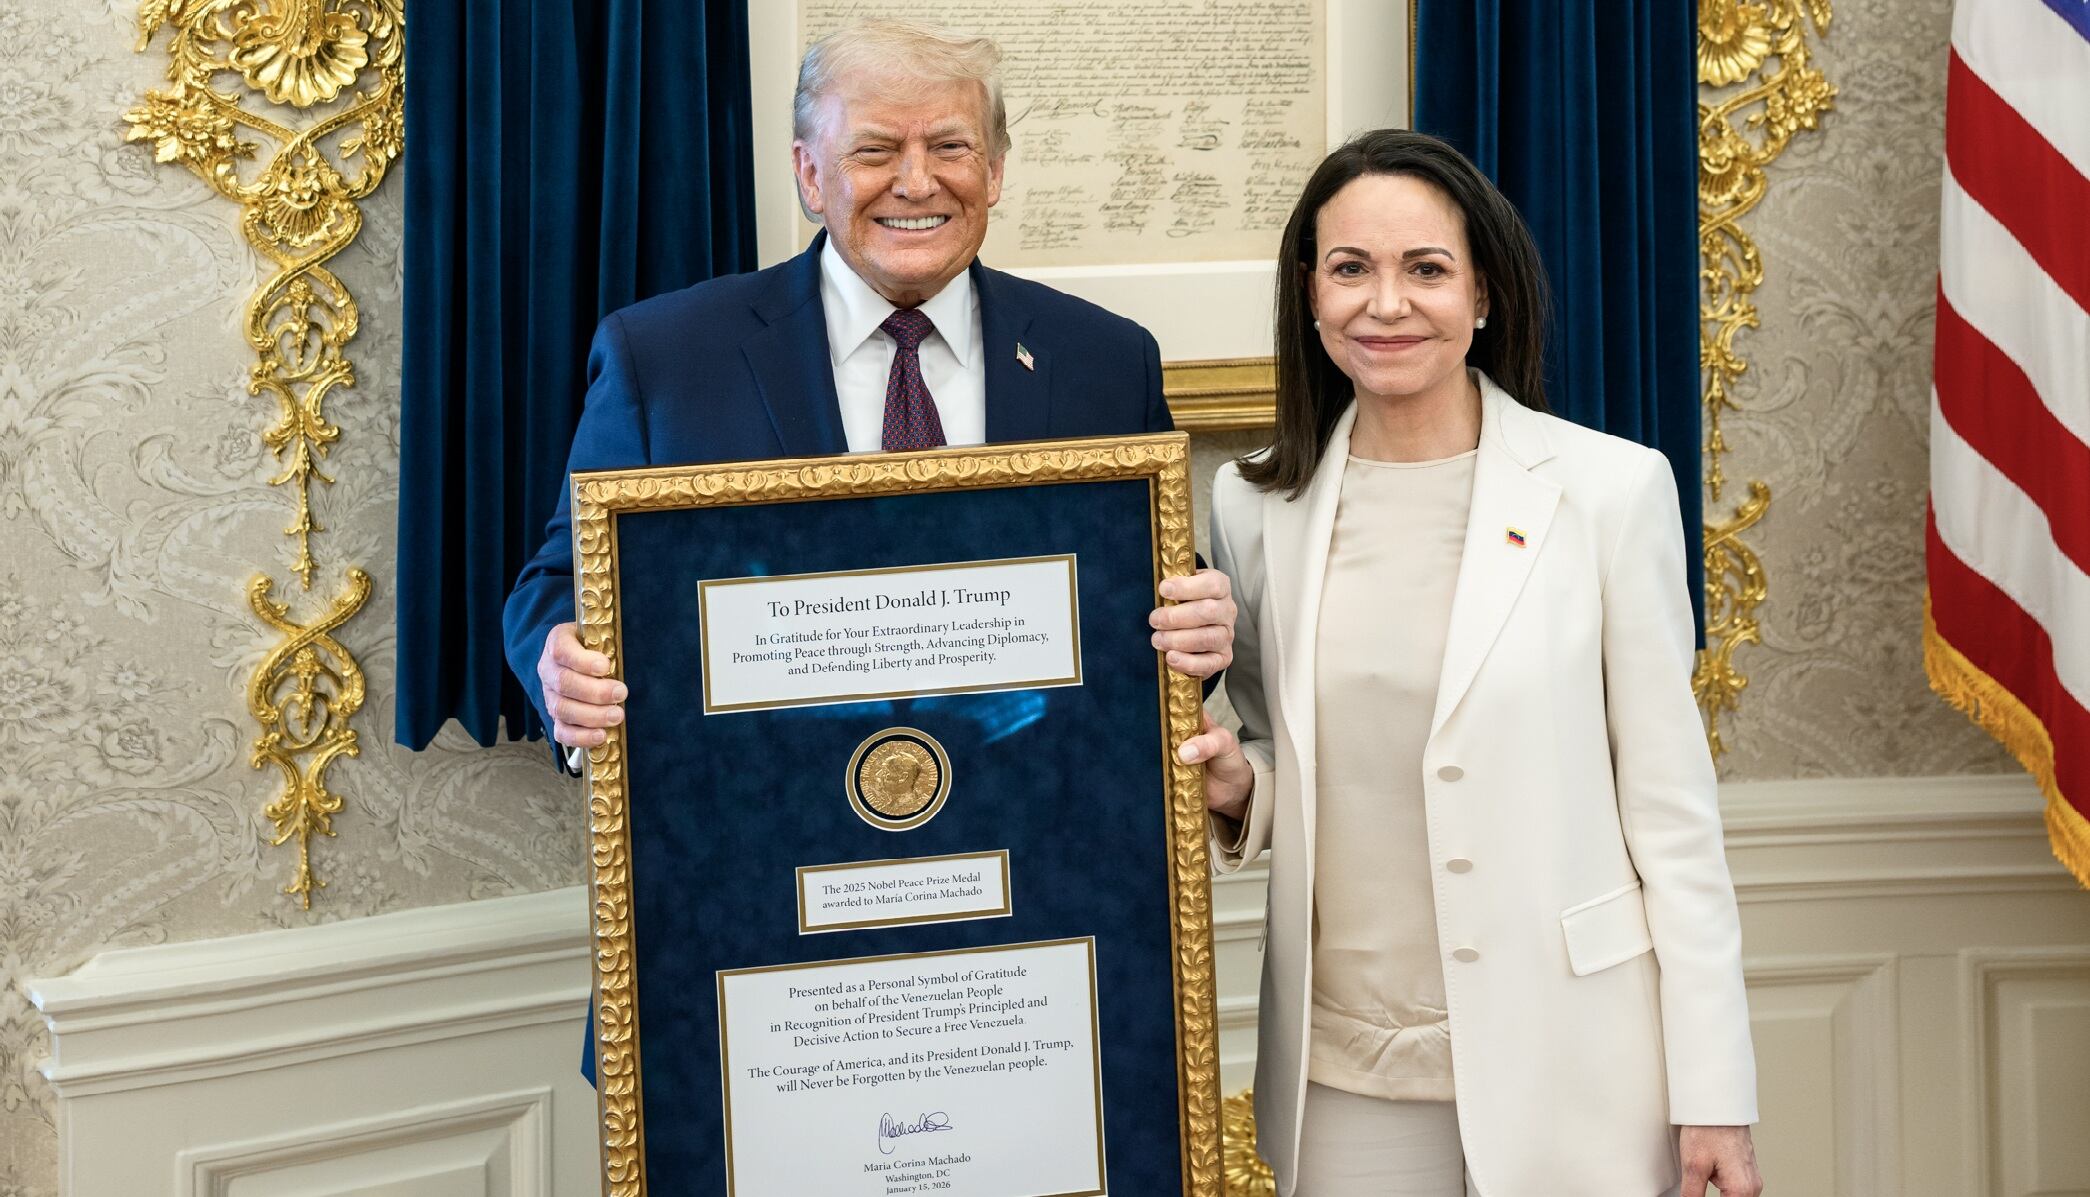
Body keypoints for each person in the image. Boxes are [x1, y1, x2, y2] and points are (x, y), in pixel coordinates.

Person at [1177, 129, 1762, 1197]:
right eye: (1349, 269)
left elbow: (1671, 816)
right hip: (1341, 1070)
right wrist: (1234, 785)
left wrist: (1713, 1091)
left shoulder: (1607, 492)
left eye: (1425, 270)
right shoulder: (1251, 509)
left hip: (1574, 1058)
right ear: (1308, 295)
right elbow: (1271, 746)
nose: (1383, 304)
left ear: (1482, 296)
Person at [502, 20, 1236, 758]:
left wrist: (1197, 625)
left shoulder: (1106, 361)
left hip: (1033, 817)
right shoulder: (665, 360)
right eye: (876, 150)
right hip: (764, 823)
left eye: (950, 147)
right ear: (811, 174)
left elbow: (1140, 594)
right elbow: (562, 581)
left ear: (996, 170)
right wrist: (562, 664)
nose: (917, 183)